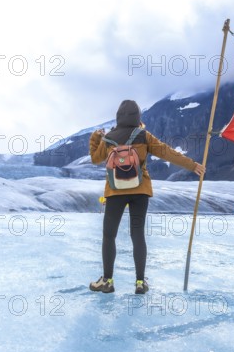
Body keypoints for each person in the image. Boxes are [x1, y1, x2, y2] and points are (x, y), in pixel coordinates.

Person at [88, 100, 205, 294]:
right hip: (140, 190)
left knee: (109, 235)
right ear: (137, 116)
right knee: (137, 234)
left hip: (115, 191)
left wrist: (96, 138)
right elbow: (167, 152)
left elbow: (95, 159)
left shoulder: (108, 138)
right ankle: (140, 282)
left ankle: (107, 281)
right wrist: (193, 165)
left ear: (118, 116)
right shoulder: (143, 135)